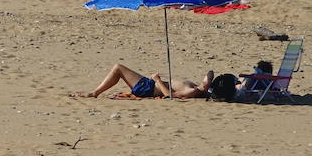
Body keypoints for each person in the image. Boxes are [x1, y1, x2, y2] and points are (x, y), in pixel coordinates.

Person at [73, 63, 236, 100]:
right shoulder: (198, 88)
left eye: (206, 82)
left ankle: (94, 93)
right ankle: (95, 92)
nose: (204, 80)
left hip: (148, 88)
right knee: (118, 69)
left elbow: (169, 96)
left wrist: (157, 80)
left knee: (118, 68)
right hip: (150, 85)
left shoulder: (192, 91)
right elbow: (210, 74)